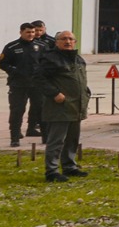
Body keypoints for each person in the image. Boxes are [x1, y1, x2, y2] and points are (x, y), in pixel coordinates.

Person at [35, 30, 90, 182]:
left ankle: (69, 166)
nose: (68, 41)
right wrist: (54, 93)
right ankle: (51, 171)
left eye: (71, 39)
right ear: (57, 42)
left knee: (72, 139)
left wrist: (86, 93)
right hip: (59, 106)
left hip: (76, 106)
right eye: (63, 39)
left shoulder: (78, 59)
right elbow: (38, 78)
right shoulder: (51, 59)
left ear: (75, 42)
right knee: (56, 140)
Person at [0, 22, 40, 146]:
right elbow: (2, 63)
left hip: (37, 84)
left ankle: (45, 137)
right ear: (21, 32)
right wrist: (15, 71)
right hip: (18, 84)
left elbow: (46, 62)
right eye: (28, 32)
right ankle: (15, 137)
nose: (31, 34)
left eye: (33, 32)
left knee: (40, 109)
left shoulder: (41, 46)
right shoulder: (12, 47)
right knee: (17, 110)